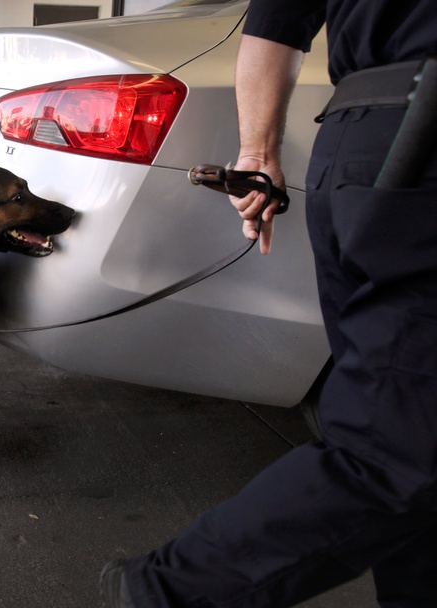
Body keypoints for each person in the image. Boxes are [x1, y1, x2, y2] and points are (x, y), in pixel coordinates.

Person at [100, 1, 437, 606]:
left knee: (409, 448)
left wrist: (256, 150)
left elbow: (275, 19)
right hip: (420, 147)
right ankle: (166, 594)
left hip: (361, 145)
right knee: (399, 448)